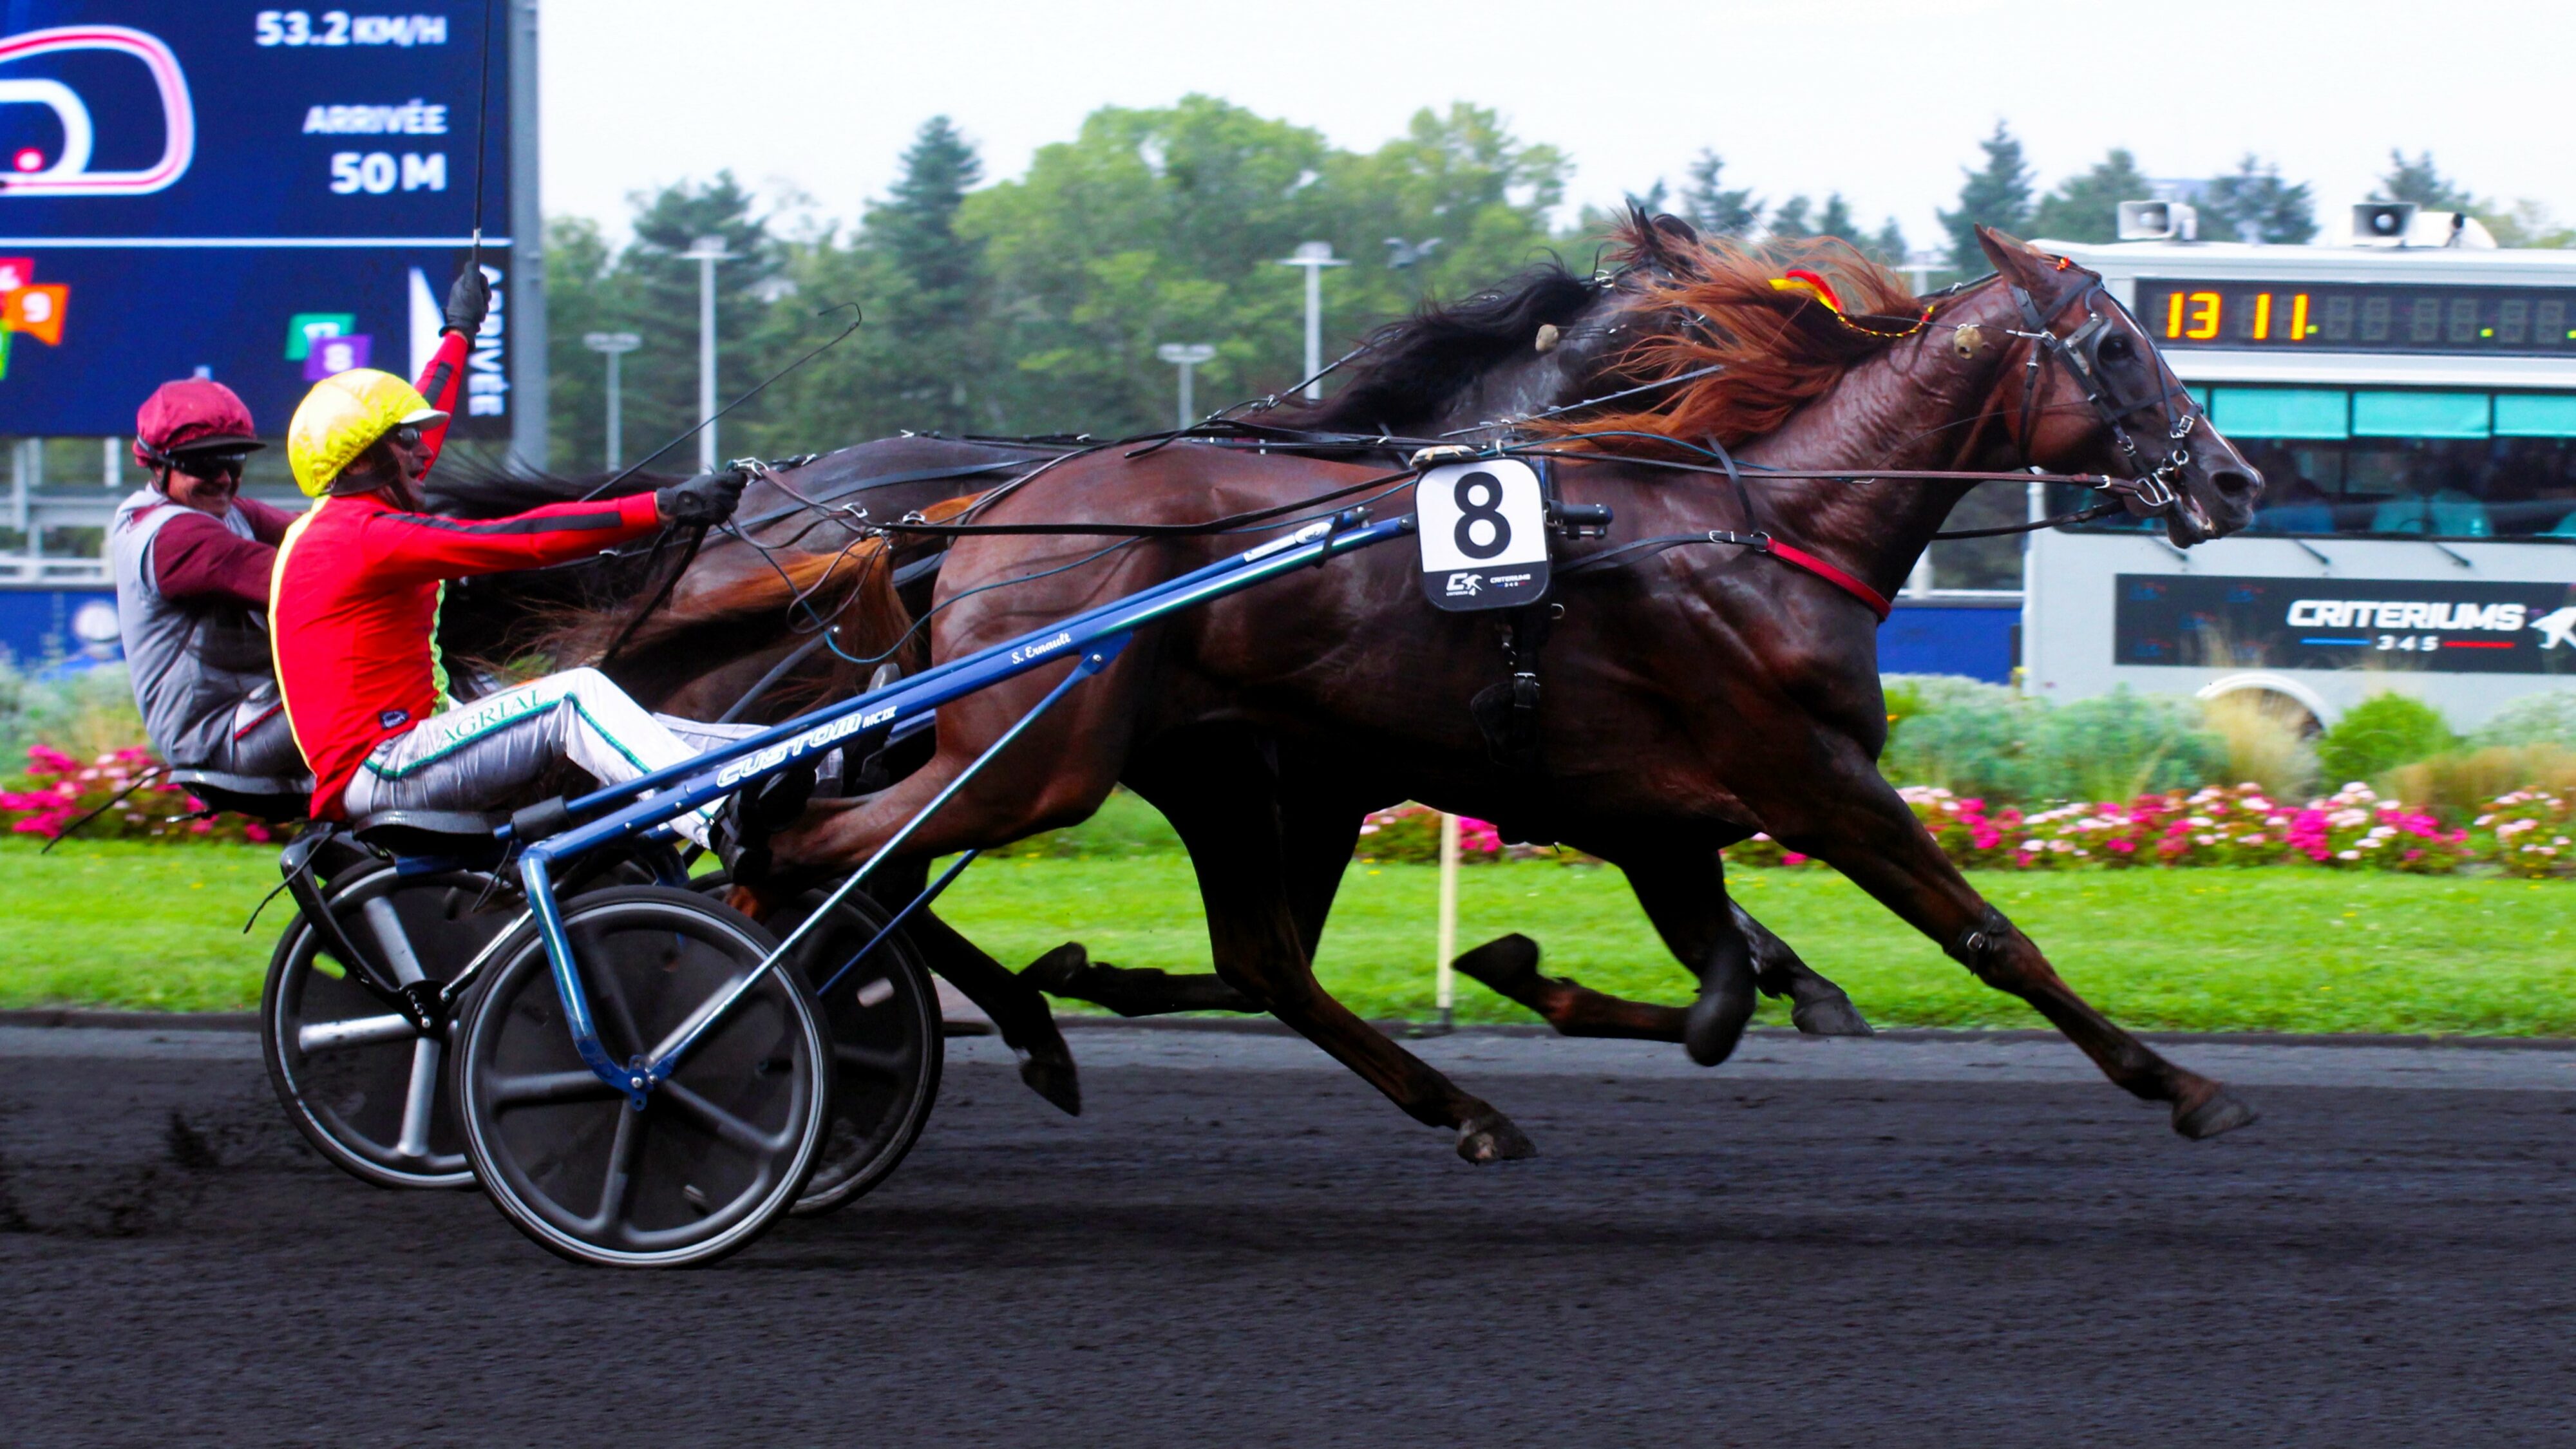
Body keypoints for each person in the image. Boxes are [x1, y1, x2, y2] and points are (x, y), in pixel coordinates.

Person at [267, 318, 753, 844]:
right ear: (363, 458)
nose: (425, 451)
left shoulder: (346, 518)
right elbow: (520, 539)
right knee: (575, 697)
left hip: (400, 753)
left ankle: (811, 766)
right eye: (406, 441)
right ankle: (720, 821)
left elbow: (418, 417)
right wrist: (660, 508)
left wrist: (458, 333)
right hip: (385, 767)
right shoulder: (363, 536)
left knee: (637, 723)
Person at [109, 378, 307, 786]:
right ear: (157, 465)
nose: (223, 478)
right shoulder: (174, 537)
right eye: (203, 464)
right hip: (218, 735)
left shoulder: (226, 511)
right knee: (378, 685)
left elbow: (322, 537)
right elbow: (313, 581)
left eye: (234, 459)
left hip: (256, 711)